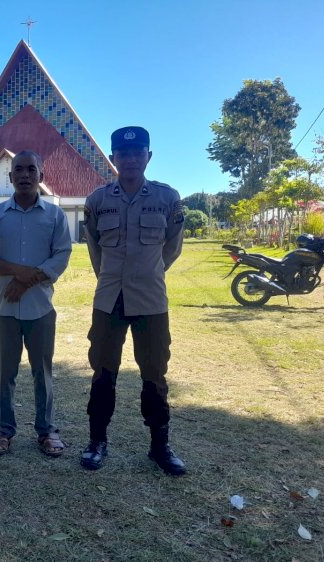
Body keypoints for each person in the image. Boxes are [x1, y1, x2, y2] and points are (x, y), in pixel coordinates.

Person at [80, 126, 186, 475]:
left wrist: (149, 272)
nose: (129, 159)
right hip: (109, 299)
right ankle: (97, 442)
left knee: (155, 374)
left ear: (148, 156)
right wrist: (112, 277)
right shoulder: (97, 201)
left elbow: (172, 247)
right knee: (102, 372)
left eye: (137, 152)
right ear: (113, 158)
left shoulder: (168, 198)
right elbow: (95, 249)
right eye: (122, 154)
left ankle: (160, 446)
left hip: (151, 301)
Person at [0, 151, 72, 457]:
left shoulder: (55, 216)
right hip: (4, 309)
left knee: (42, 371)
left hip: (40, 309)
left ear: (41, 176)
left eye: (32, 169)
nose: (25, 175)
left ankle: (46, 430)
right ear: (10, 177)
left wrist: (26, 282)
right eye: (19, 170)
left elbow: (61, 255)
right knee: (5, 372)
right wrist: (20, 273)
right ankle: (4, 430)